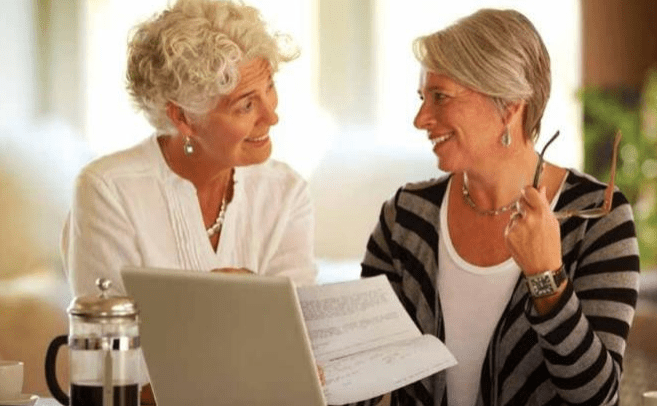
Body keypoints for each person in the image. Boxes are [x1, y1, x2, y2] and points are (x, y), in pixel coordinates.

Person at [359, 9, 640, 406]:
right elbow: (364, 373)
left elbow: (596, 396)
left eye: (440, 97)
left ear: (508, 105)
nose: (421, 118)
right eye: (423, 98)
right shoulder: (405, 216)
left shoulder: (599, 218)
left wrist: (546, 277)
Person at [60, 0, 317, 403]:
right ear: (183, 118)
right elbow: (116, 376)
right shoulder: (107, 189)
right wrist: (225, 329)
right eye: (246, 104)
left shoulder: (286, 192)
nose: (272, 116)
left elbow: (301, 349)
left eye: (269, 88)